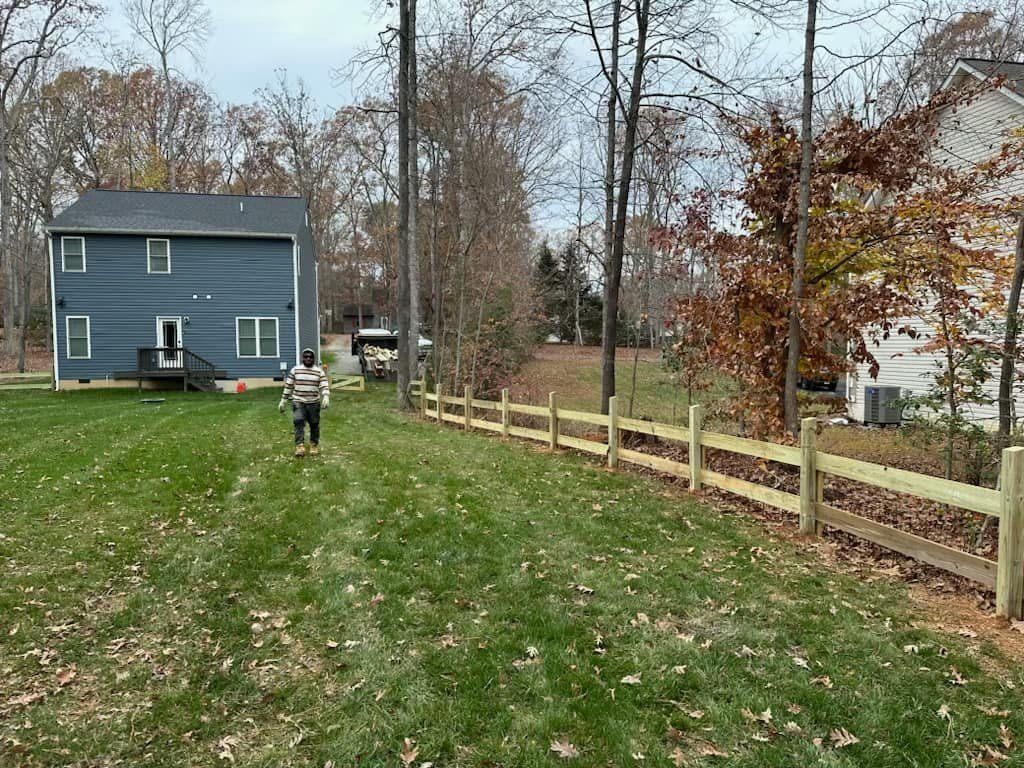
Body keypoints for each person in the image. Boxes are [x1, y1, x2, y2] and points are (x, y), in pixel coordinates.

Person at [279, 348, 330, 457]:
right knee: (298, 422)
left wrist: (326, 396)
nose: (308, 359)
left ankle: (313, 445)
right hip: (298, 401)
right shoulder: (295, 370)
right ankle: (300, 446)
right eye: (306, 356)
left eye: (310, 357)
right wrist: (283, 400)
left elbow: (324, 384)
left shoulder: (319, 371)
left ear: (314, 359)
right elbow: (289, 385)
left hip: (313, 402)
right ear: (302, 358)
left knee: (314, 424)